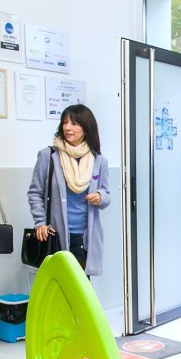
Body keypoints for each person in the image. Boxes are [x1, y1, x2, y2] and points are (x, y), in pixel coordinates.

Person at [27, 104, 111, 274]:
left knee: (80, 285)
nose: (67, 127)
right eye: (65, 123)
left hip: (84, 237)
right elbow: (35, 192)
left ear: (86, 128)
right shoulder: (48, 156)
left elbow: (107, 195)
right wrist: (40, 223)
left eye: (74, 123)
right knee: (59, 283)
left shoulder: (98, 160)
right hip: (55, 234)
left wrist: (100, 196)